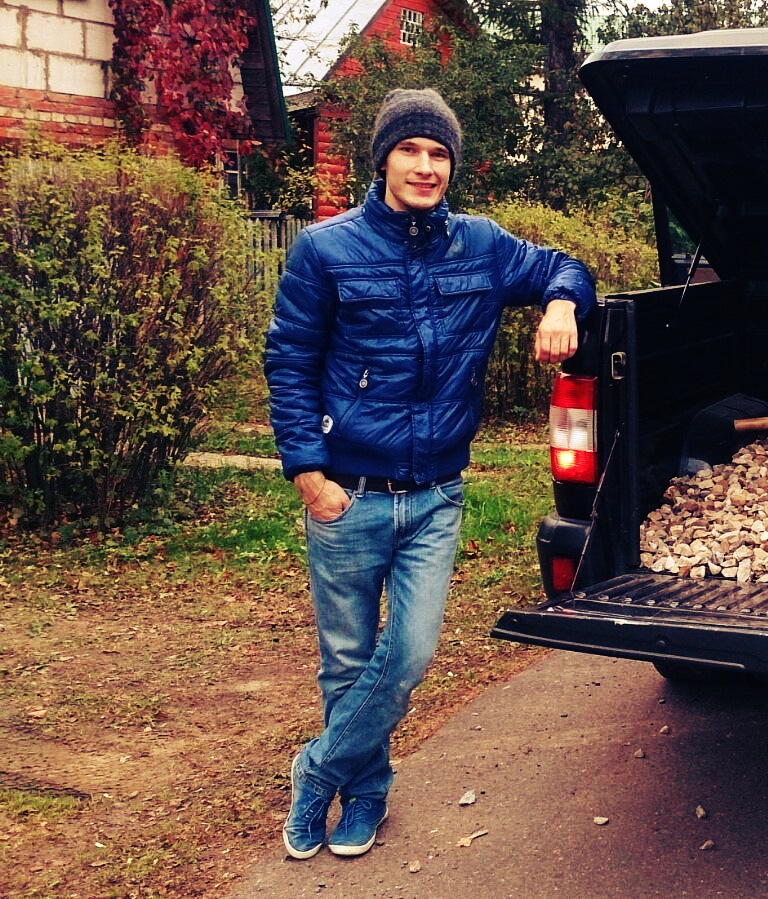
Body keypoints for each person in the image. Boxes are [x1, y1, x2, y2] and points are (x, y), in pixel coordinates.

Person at [264, 88, 596, 860]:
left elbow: (564, 265)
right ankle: (364, 799)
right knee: (347, 661)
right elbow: (289, 362)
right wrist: (310, 476)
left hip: (436, 496)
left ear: (452, 165)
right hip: (346, 495)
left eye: (438, 153)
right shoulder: (326, 248)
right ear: (383, 158)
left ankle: (315, 770)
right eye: (410, 150)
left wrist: (559, 304)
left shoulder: (479, 245)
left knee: (408, 656)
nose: (424, 165)